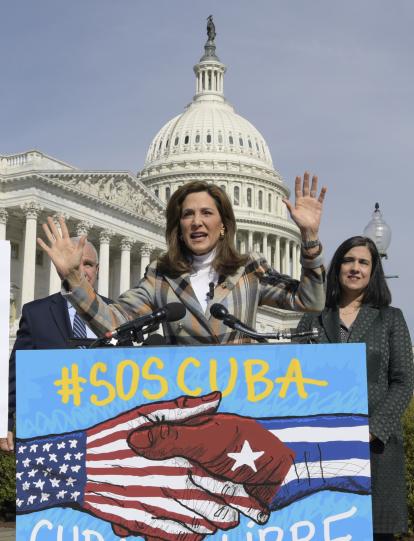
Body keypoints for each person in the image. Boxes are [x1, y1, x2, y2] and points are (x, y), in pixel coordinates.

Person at [36, 173, 327, 346]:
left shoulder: (248, 270)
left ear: (223, 224)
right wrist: (74, 278)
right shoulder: (160, 276)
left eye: (206, 213)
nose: (197, 222)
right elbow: (114, 322)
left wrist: (310, 239)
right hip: (184, 400)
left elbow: (309, 300)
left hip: (243, 396)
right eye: (188, 214)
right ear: (179, 226)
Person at [296, 236, 414, 541]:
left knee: (375, 532)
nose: (355, 268)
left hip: (375, 447)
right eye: (348, 260)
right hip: (323, 447)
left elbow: (403, 381)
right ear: (337, 267)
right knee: (327, 527)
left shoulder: (391, 319)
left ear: (373, 271)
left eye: (363, 262)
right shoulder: (313, 319)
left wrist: (374, 429)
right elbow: (292, 376)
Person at [0, 238, 111, 453]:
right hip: (51, 432)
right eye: (74, 262)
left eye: (87, 264)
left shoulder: (116, 312)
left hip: (105, 429)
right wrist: (5, 424)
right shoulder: (36, 313)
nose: (80, 270)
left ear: (97, 269)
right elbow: (15, 375)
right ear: (60, 265)